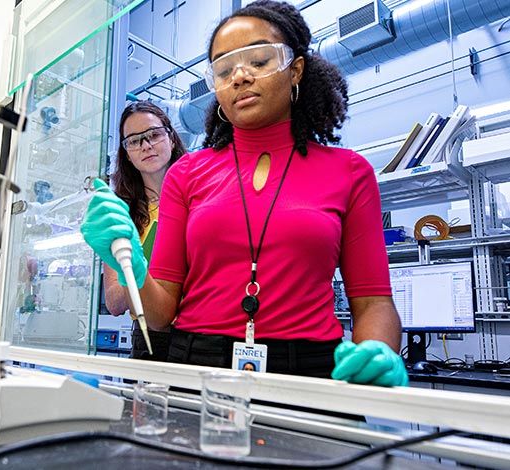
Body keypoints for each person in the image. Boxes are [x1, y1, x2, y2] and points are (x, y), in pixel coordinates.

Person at [82, 0, 407, 387]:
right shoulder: (186, 173)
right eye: (224, 69)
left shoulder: (349, 172)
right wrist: (131, 264)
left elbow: (373, 302)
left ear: (296, 70)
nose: (240, 76)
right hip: (197, 366)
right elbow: (159, 314)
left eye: (259, 61)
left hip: (311, 372)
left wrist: (380, 351)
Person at [103, 101, 187, 361]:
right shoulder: (118, 218)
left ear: (171, 139)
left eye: (154, 135)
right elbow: (115, 302)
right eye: (134, 141)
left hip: (198, 333)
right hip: (149, 338)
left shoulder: (200, 199)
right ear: (126, 153)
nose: (146, 145)